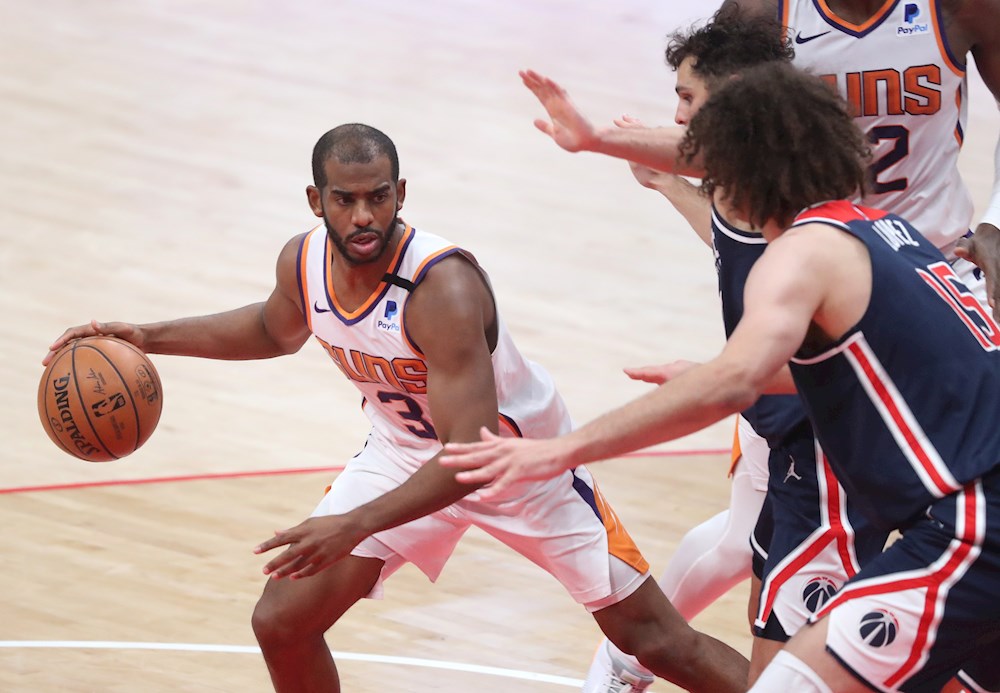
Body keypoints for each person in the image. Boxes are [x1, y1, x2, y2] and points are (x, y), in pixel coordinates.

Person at [43, 123, 750, 693]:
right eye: (345, 199)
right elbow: (272, 327)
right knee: (283, 620)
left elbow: (467, 457)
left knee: (653, 641)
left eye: (378, 197)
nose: (363, 216)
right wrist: (147, 336)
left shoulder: (440, 288)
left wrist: (352, 523)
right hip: (402, 454)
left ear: (401, 192)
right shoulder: (303, 262)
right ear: (315, 200)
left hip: (514, 467)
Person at [441, 61, 1000, 693]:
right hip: (968, 516)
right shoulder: (888, 232)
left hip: (977, 526)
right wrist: (713, 372)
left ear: (737, 172)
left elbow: (732, 385)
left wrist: (560, 450)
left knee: (792, 683)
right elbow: (877, 365)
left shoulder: (800, 252)